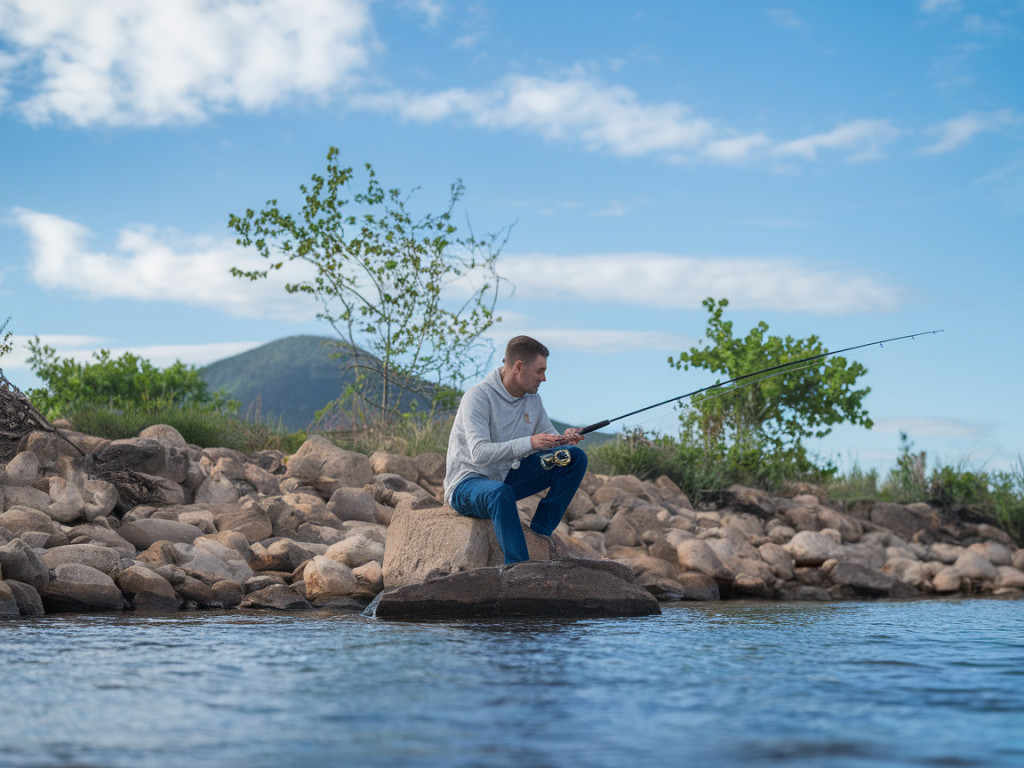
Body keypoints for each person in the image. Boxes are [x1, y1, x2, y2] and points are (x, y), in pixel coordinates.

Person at [444, 335, 587, 565]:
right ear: (519, 367)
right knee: (500, 493)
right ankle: (519, 568)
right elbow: (479, 454)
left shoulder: (534, 400)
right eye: (540, 371)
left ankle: (540, 533)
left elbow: (550, 441)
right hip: (467, 484)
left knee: (574, 458)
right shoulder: (478, 397)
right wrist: (530, 443)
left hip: (509, 476)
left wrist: (566, 438)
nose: (544, 378)